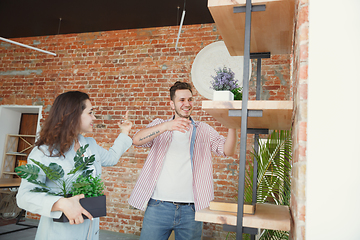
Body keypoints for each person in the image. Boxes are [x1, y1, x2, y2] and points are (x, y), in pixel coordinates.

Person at [16, 91, 133, 240]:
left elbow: (111, 158)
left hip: (90, 230)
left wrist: (124, 132)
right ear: (73, 115)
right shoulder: (43, 153)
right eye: (90, 113)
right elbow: (24, 197)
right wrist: (61, 203)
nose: (94, 117)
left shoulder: (90, 145)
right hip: (59, 233)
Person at [128, 81, 237, 240]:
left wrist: (232, 123)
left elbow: (228, 150)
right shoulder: (160, 126)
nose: (187, 104)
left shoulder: (203, 130)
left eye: (190, 99)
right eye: (182, 100)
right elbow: (136, 140)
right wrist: (167, 126)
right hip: (158, 207)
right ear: (172, 104)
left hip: (191, 211)